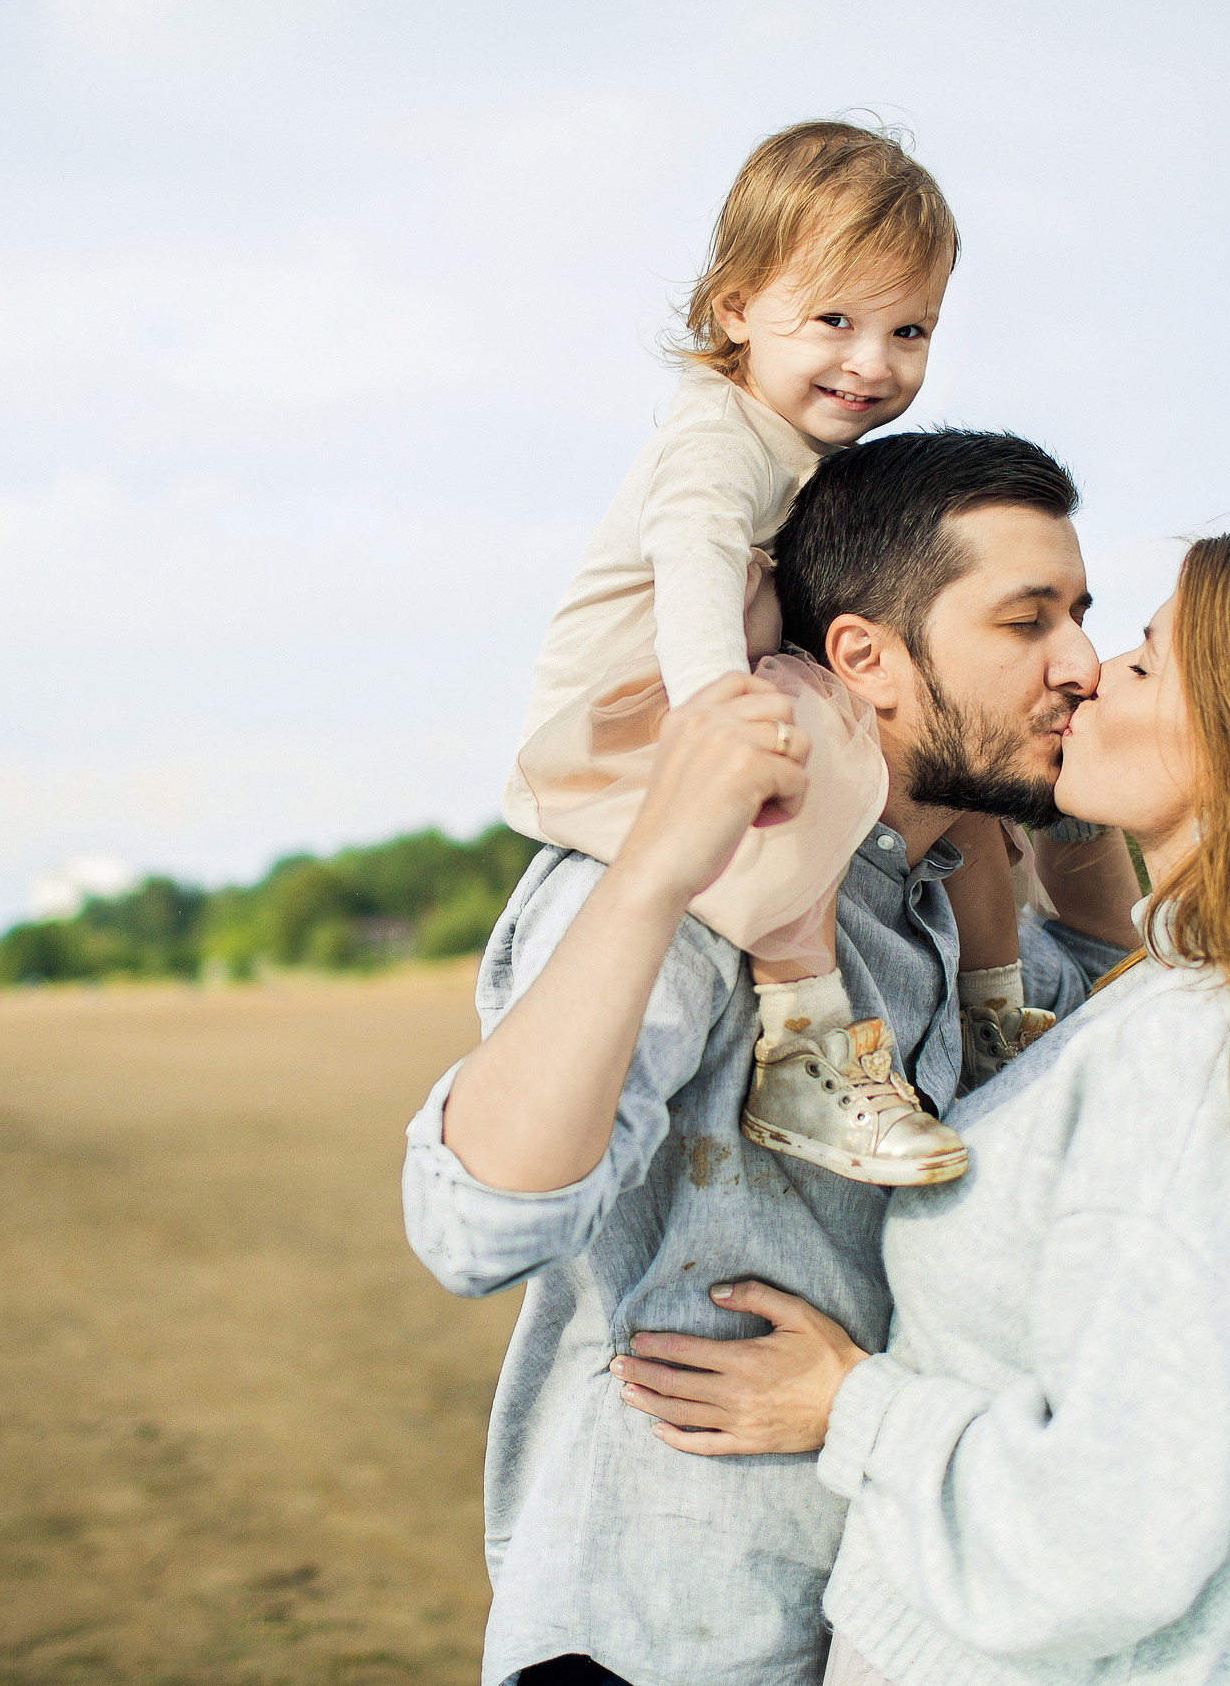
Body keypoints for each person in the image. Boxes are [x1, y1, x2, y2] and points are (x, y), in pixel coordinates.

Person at [608, 533, 1230, 1684]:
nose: (1091, 669)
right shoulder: (1195, 1003)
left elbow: (1115, 1526)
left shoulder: (1192, 1065)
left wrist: (848, 1408)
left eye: (1148, 663)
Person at [405, 430, 1144, 1686]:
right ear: (865, 657)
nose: (1080, 663)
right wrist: (651, 873)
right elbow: (471, 1223)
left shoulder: (946, 908)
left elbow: (1115, 988)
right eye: (1028, 623)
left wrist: (1070, 791)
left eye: (1082, 616)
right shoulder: (707, 891)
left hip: (894, 1625)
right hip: (660, 1632)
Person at [505, 118, 1046, 1187]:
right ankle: (801, 1042)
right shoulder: (716, 441)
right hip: (637, 725)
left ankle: (991, 1016)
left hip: (733, 688)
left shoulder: (802, 446)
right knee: (808, 763)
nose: (872, 362)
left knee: (964, 777)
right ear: (737, 309)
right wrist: (721, 709)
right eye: (836, 319)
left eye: (910, 332)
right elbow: (699, 574)